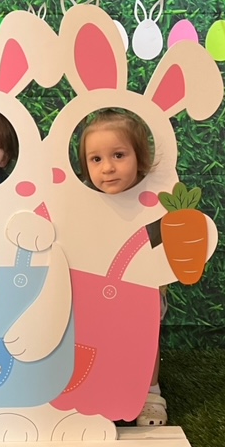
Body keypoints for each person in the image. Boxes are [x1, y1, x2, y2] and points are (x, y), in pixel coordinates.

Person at [79, 108, 167, 427]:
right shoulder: (82, 201)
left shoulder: (153, 202)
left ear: (139, 159)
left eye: (118, 155)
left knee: (145, 340)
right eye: (96, 159)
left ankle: (150, 394)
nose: (108, 168)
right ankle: (102, 387)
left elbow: (163, 253)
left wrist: (157, 289)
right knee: (99, 339)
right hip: (96, 290)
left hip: (141, 290)